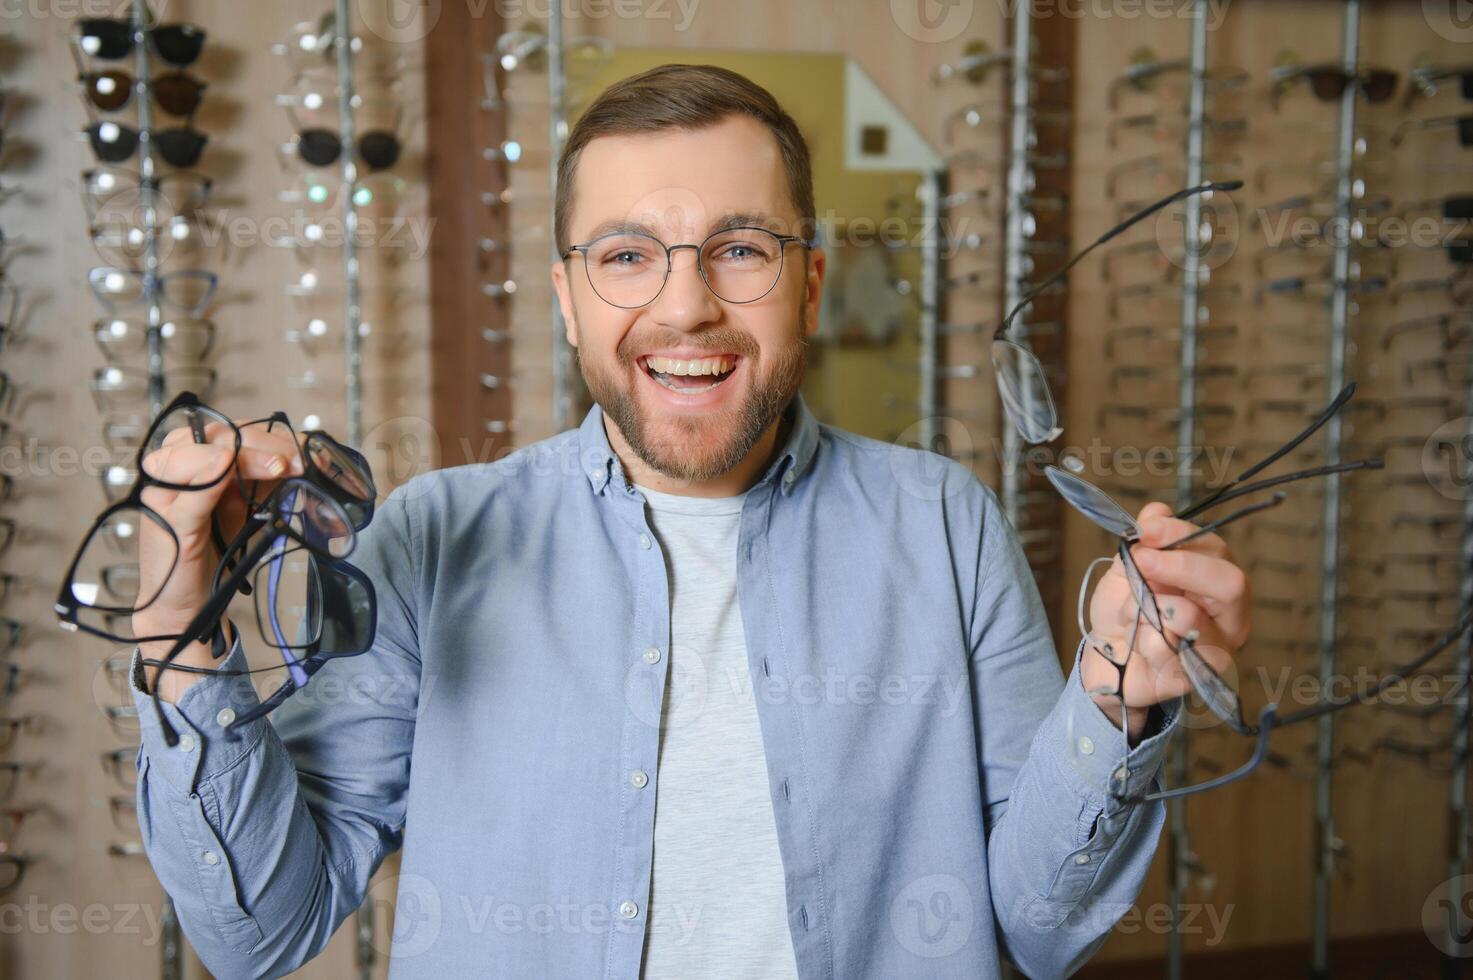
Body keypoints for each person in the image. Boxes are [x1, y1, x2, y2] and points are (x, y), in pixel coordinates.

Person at [128, 64, 1252, 979]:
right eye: (626, 255)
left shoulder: (944, 525)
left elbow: (1042, 929)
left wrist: (1116, 691)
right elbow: (258, 932)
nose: (685, 303)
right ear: (567, 299)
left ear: (809, 284)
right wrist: (180, 631)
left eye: (741, 247)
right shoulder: (431, 539)